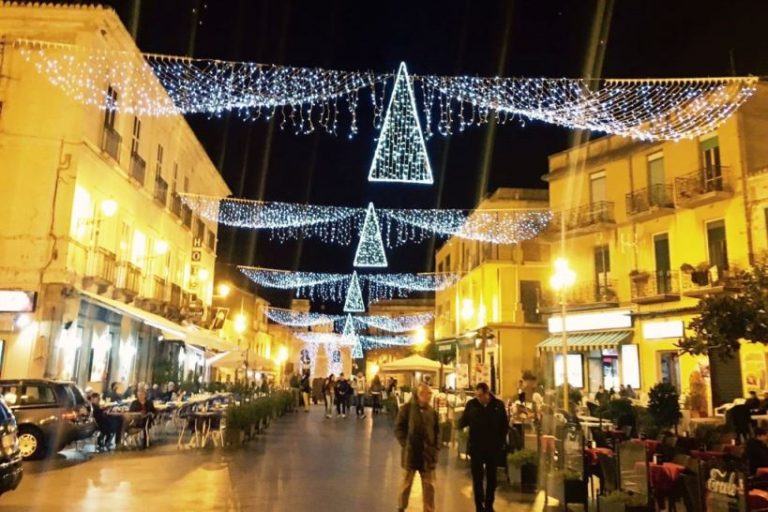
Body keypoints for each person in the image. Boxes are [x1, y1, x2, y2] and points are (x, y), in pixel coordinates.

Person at [459, 382, 509, 512]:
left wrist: (501, 442)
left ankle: (489, 505)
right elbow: (463, 421)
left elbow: (504, 425)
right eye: (476, 395)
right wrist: (459, 424)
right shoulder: (472, 405)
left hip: (493, 448)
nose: (478, 398)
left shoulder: (498, 405)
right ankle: (478, 506)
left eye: (480, 395)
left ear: (487, 393)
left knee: (492, 478)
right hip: (476, 447)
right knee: (477, 479)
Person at [394, 383, 439, 512]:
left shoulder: (432, 412)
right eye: (425, 394)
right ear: (418, 395)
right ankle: (401, 507)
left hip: (428, 455)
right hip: (411, 453)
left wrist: (436, 447)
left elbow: (437, 431)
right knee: (406, 483)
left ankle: (429, 509)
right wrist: (406, 443)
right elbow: (399, 428)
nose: (428, 397)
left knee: (429, 486)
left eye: (429, 394)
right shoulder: (407, 409)